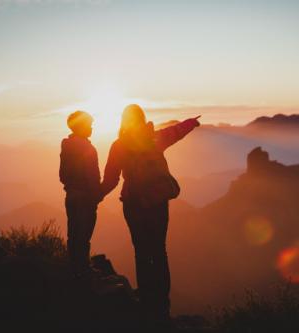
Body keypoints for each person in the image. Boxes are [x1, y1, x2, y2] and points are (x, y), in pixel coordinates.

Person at [101, 104, 200, 323]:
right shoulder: (155, 138)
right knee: (159, 252)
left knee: (142, 254)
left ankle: (146, 303)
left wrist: (95, 196)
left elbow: (111, 179)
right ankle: (162, 306)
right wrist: (191, 122)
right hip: (157, 202)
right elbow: (176, 131)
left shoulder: (119, 146)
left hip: (134, 203)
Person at [59, 110, 102, 277]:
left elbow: (62, 175)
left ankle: (74, 268)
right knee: (84, 235)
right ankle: (83, 270)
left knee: (73, 233)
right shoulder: (88, 149)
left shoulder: (66, 147)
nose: (92, 128)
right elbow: (92, 176)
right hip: (86, 197)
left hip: (71, 196)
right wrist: (96, 195)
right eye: (90, 125)